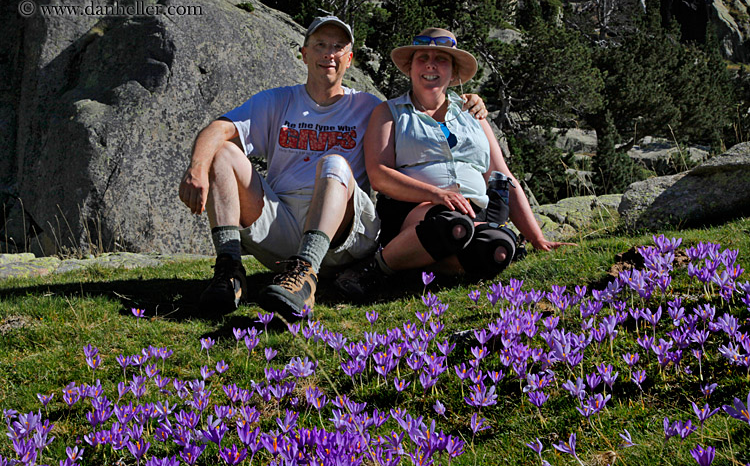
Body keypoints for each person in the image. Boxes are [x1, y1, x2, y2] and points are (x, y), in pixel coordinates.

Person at [179, 17, 488, 321]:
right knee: (222, 152)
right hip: (282, 230)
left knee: (334, 162)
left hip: (345, 236)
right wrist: (197, 168)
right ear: (304, 53)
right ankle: (229, 271)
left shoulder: (370, 107)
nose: (329, 53)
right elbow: (219, 128)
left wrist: (464, 102)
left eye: (338, 47)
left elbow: (420, 112)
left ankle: (305, 275)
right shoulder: (276, 101)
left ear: (349, 59)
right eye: (321, 45)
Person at [335, 28, 574, 297]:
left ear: (454, 71)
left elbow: (502, 176)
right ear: (411, 67)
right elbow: (379, 174)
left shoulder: (474, 114)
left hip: (474, 212)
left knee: (499, 248)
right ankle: (375, 269)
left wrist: (537, 238)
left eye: (442, 59)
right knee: (451, 226)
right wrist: (435, 194)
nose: (430, 64)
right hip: (416, 210)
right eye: (422, 57)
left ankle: (415, 269)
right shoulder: (389, 112)